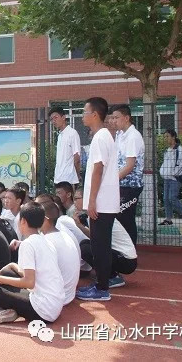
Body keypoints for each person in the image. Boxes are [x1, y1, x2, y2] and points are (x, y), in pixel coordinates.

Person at [0, 202, 65, 326]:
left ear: (22, 221)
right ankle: (11, 310)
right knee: (8, 271)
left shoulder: (27, 244)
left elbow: (29, 282)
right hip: (54, 305)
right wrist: (13, 265)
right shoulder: (46, 241)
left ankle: (12, 312)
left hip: (43, 311)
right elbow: (32, 274)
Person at [75, 97, 120, 302]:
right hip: (105, 201)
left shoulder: (101, 137)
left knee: (100, 246)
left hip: (102, 202)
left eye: (84, 112)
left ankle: (102, 288)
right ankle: (102, 283)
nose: (82, 116)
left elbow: (97, 170)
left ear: (94, 114)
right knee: (101, 245)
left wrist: (92, 201)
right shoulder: (104, 136)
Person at [110, 104, 144, 245]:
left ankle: (131, 252)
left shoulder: (133, 137)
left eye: (116, 117)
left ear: (126, 118)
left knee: (126, 218)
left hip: (131, 186)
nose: (113, 121)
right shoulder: (120, 134)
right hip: (120, 184)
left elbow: (129, 166)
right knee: (120, 218)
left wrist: (111, 181)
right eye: (112, 118)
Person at [40, 201, 80, 305]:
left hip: (56, 299)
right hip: (69, 294)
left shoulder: (46, 241)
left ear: (45, 219)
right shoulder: (63, 234)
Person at [80, 218, 137, 289]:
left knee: (86, 249)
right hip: (124, 257)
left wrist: (79, 226)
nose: (75, 207)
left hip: (126, 260)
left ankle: (111, 277)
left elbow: (97, 238)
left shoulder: (98, 217)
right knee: (85, 243)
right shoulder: (100, 215)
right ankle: (110, 274)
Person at [159, 129, 182, 226]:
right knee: (166, 199)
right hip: (167, 178)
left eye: (167, 136)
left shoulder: (179, 150)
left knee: (172, 198)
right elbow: (166, 163)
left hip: (175, 178)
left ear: (173, 137)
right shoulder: (167, 150)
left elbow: (181, 164)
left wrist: (173, 173)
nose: (165, 139)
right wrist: (164, 172)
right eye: (164, 137)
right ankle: (168, 219)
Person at [50, 106, 82, 188]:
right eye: (52, 119)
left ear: (63, 117)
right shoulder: (60, 135)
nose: (54, 121)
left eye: (56, 117)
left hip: (69, 179)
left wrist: (77, 175)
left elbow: (77, 158)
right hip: (58, 178)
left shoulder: (72, 133)